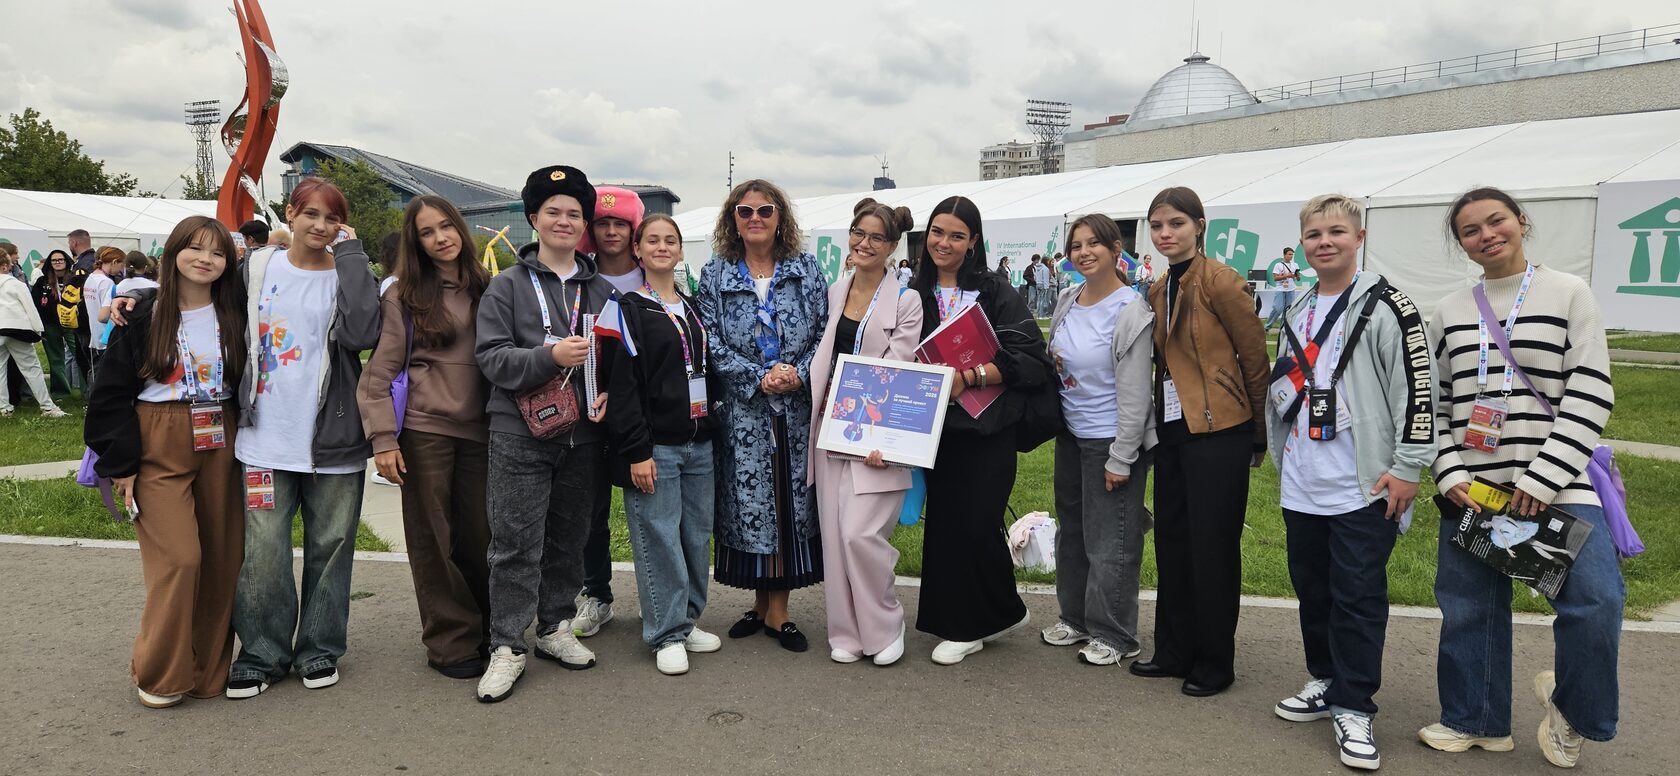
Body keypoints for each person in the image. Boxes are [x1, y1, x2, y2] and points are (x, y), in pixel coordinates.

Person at [1419, 188, 1623, 769]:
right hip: (1474, 488)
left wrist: (1543, 476)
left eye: (1496, 221)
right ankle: (1476, 719)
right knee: (1470, 606)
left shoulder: (1569, 293)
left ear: (1521, 222)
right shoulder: (1449, 311)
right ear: (1461, 243)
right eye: (1470, 230)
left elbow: (1591, 391)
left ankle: (1574, 709)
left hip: (1558, 485)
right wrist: (1448, 470)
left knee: (1596, 602)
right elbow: (1433, 404)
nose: (1486, 235)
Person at [1266, 195, 1437, 771]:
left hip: (1365, 482)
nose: (1325, 242)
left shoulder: (1390, 306)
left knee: (1358, 596)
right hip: (1303, 479)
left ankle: (1355, 704)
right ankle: (1325, 679)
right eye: (1314, 234)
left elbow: (1417, 390)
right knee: (1313, 589)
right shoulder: (1298, 306)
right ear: (1302, 243)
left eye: (1337, 232)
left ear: (1359, 237)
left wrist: (1409, 466)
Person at [222, 176, 382, 699]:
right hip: (265, 436)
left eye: (332, 218)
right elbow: (206, 305)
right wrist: (138, 304)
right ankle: (261, 652)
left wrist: (352, 255)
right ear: (289, 213)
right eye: (310, 213)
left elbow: (362, 334)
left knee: (331, 548)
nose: (320, 225)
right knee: (263, 551)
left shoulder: (349, 273)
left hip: (334, 437)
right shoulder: (257, 267)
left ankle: (318, 649)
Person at [83, 216, 248, 709]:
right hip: (158, 436)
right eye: (194, 248)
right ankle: (159, 670)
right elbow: (109, 392)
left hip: (221, 433)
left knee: (222, 559)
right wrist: (122, 463)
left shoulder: (237, 312)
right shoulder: (142, 315)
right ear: (173, 253)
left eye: (216, 252)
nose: (205, 259)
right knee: (180, 558)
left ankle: (206, 669)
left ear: (229, 262)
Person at [472, 165, 615, 702]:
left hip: (583, 436)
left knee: (569, 539)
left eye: (574, 213)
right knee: (514, 543)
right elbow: (490, 358)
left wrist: (610, 392)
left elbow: (618, 361)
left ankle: (554, 625)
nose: (563, 220)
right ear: (533, 219)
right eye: (553, 211)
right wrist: (548, 356)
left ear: (584, 225)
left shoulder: (602, 290)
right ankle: (507, 645)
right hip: (519, 433)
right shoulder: (507, 286)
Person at [1131, 186, 1268, 697]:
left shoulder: (1221, 282)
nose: (1166, 233)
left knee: (1212, 546)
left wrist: (1257, 432)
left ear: (1199, 226)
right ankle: (1173, 651)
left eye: (1176, 224)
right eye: (1157, 226)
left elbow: (1254, 358)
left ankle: (1214, 661)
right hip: (1173, 429)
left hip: (1221, 430)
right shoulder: (1158, 287)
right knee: (1172, 541)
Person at [356, 195, 493, 680]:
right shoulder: (403, 294)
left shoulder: (488, 287)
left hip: (482, 431)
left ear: (460, 227)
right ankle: (451, 643)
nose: (440, 238)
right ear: (415, 243)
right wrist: (383, 439)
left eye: (446, 226)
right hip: (424, 429)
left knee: (480, 537)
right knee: (434, 540)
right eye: (427, 232)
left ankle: (490, 632)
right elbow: (380, 370)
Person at [911, 195, 1050, 665]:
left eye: (956, 235)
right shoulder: (913, 292)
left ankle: (970, 627)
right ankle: (994, 612)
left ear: (973, 241)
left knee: (977, 524)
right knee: (946, 526)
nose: (944, 243)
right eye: (937, 232)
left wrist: (971, 376)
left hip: (989, 429)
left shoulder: (995, 291)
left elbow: (1030, 359)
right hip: (936, 431)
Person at [698, 178, 827, 653]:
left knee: (790, 503)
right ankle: (758, 604)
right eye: (745, 211)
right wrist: (757, 376)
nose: (755, 218)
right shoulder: (715, 274)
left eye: (765, 210)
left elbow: (824, 330)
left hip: (795, 409)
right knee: (749, 505)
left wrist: (799, 372)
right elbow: (709, 338)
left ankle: (780, 611)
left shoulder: (805, 269)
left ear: (780, 218)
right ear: (732, 219)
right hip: (744, 411)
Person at [604, 214, 722, 675]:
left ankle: (687, 619)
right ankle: (665, 632)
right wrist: (637, 450)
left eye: (670, 240)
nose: (662, 247)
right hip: (656, 447)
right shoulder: (627, 308)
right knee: (659, 538)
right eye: (652, 240)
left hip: (699, 442)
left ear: (680, 250)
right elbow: (622, 386)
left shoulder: (692, 307)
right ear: (637, 249)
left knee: (695, 537)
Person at [807, 198, 922, 667]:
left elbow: (900, 367)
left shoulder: (907, 300)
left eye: (877, 237)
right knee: (835, 536)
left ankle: (885, 623)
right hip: (830, 427)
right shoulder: (836, 290)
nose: (865, 243)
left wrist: (882, 436)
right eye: (858, 233)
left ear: (892, 246)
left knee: (860, 533)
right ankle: (846, 631)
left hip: (876, 430)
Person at [1042, 214, 1155, 668]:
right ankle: (1076, 618)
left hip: (1111, 439)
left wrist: (1122, 456)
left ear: (1115, 250)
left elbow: (1136, 391)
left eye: (1094, 244)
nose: (1084, 252)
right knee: (1073, 533)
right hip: (1071, 435)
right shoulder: (1068, 299)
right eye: (1076, 245)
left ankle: (1116, 633)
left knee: (1112, 541)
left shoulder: (1131, 309)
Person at [573, 185, 647, 640]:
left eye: (621, 223)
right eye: (603, 223)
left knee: (651, 511)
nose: (612, 231)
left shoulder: (654, 274)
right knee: (590, 510)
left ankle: (660, 599)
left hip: (644, 416)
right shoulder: (577, 278)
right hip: (587, 411)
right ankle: (596, 594)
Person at [0, 248, 67, 417]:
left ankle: (4, 408)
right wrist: (38, 330)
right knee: (31, 368)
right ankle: (47, 406)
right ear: (5, 266)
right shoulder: (16, 284)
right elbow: (30, 308)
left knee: (0, 370)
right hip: (17, 328)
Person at [32, 249, 80, 396]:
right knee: (55, 359)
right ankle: (60, 392)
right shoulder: (42, 281)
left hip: (72, 325)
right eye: (54, 260)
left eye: (60, 259)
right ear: (50, 263)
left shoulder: (75, 279)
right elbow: (36, 303)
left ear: (66, 261)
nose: (57, 262)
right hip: (50, 325)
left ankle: (87, 391)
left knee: (80, 356)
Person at [83, 247, 125, 385]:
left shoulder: (90, 278)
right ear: (114, 262)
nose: (121, 270)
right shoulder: (107, 282)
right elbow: (106, 312)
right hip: (105, 335)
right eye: (121, 265)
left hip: (94, 333)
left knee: (96, 373)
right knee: (105, 377)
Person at [1265, 248, 1301, 330]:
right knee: (1278, 308)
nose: (1291, 256)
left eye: (1292, 254)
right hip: (1280, 289)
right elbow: (1275, 278)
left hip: (1291, 289)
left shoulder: (1295, 265)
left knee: (1288, 310)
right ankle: (1267, 326)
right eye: (1289, 254)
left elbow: (1298, 278)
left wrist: (1297, 276)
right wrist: (1286, 276)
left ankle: (1283, 328)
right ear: (1284, 255)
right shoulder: (1278, 265)